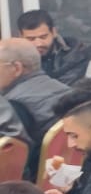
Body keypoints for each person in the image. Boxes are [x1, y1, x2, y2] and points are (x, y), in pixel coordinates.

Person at [0, 41, 67, 177]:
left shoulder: (12, 107)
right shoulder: (66, 91)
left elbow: (13, 158)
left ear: (17, 68)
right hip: (67, 176)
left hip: (32, 180)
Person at [16, 10, 91, 86]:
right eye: (31, 39)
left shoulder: (79, 52)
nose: (38, 44)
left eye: (43, 37)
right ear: (20, 36)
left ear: (54, 32)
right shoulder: (14, 61)